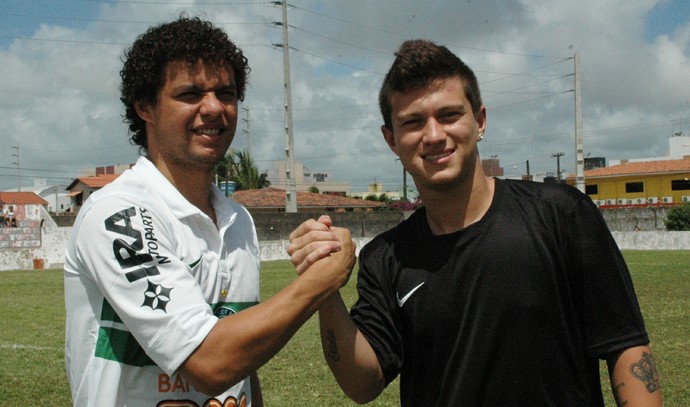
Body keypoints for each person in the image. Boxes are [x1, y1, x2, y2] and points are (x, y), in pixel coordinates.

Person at [289, 39, 662, 406]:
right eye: (413, 122)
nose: (434, 135)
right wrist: (324, 287)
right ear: (391, 139)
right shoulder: (385, 258)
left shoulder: (562, 215)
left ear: (480, 120)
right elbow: (362, 385)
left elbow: (626, 347)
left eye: (449, 115)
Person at [64, 17, 354, 407]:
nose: (215, 107)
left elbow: (241, 366)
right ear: (145, 106)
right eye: (190, 94)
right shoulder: (119, 215)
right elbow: (208, 363)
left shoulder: (238, 220)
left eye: (226, 93)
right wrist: (320, 281)